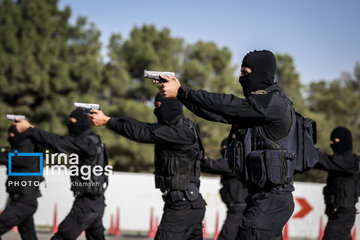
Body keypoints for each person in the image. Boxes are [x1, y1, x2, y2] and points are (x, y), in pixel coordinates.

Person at [158, 50, 296, 239]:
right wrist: (180, 95)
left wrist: (182, 92)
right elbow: (216, 113)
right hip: (260, 197)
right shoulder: (258, 109)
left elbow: (227, 104)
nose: (241, 78)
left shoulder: (273, 104)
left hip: (272, 198)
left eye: (246, 73)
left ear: (262, 73)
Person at [88, 93, 206, 240]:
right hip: (188, 204)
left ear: (172, 105)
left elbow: (144, 132)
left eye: (158, 106)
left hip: (182, 206)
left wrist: (108, 121)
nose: (156, 110)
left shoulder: (181, 130)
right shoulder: (178, 128)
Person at [15, 109, 107, 240]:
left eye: (72, 122)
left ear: (82, 123)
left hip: (87, 204)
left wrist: (30, 129)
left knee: (61, 237)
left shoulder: (85, 143)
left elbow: (57, 142)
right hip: (96, 202)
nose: (69, 125)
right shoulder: (93, 140)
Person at [315, 126, 359, 240]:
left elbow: (326, 161)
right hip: (336, 214)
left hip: (344, 214)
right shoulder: (340, 162)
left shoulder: (350, 161)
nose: (331, 144)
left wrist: (310, 152)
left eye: (335, 141)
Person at [0, 125, 42, 240]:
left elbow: (9, 158)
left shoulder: (28, 151)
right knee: (29, 235)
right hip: (20, 199)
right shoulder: (18, 150)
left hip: (24, 201)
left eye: (14, 134)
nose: (11, 136)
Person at [201, 138, 248, 240]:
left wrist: (198, 158)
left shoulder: (235, 162)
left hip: (239, 209)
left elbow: (213, 166)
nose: (223, 150)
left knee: (226, 237)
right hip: (237, 209)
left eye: (226, 148)